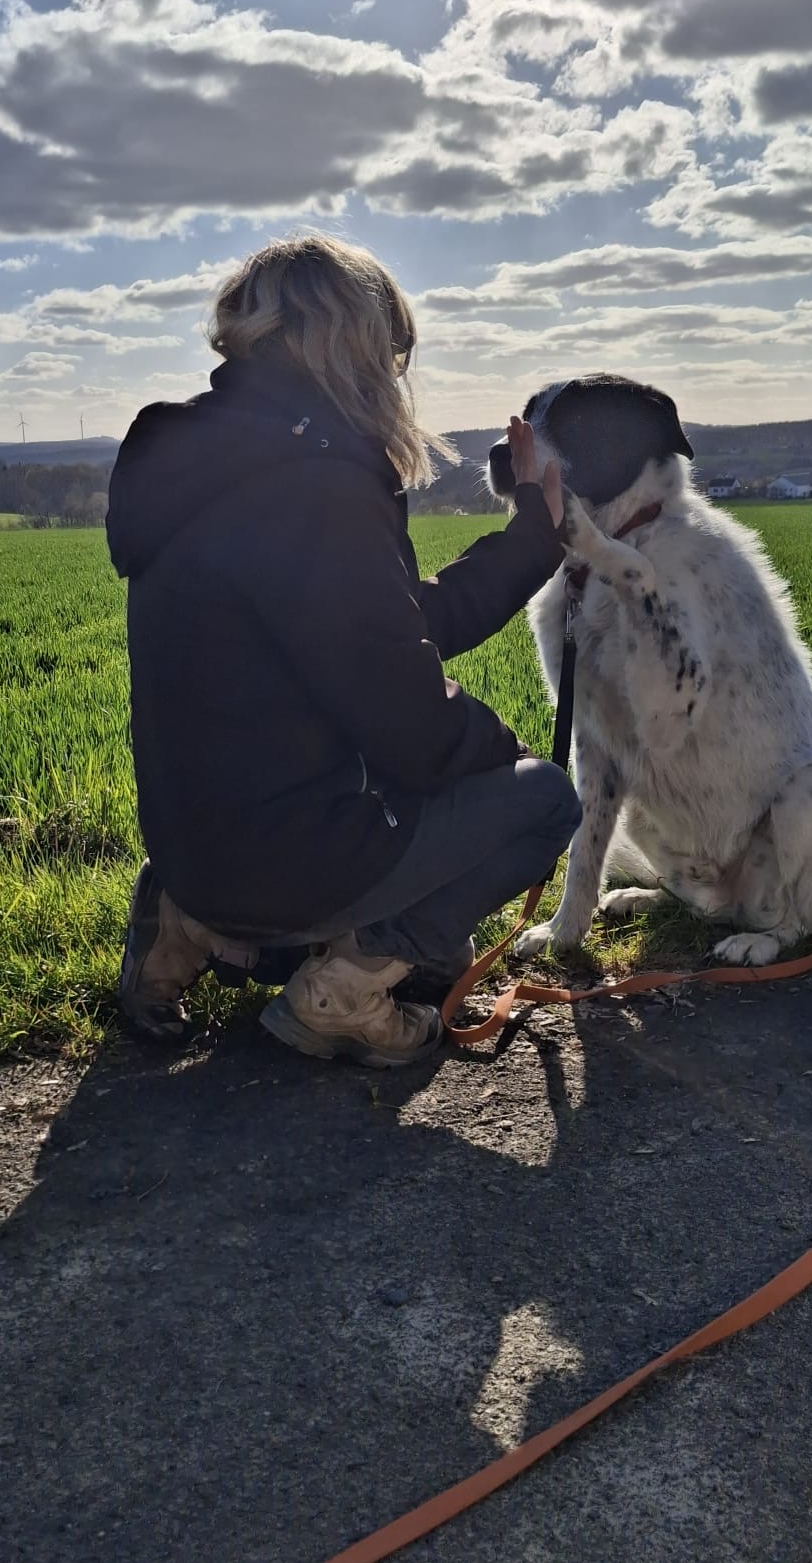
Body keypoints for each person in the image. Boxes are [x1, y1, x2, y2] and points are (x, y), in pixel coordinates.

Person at [104, 233, 580, 1067]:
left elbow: (384, 623)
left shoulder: (213, 460)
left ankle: (185, 921)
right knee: (542, 802)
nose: (395, 378)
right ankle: (344, 993)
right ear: (354, 346)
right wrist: (503, 755)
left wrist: (534, 538)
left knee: (443, 945)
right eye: (393, 356)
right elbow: (411, 728)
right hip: (280, 861)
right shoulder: (316, 486)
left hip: (193, 847)